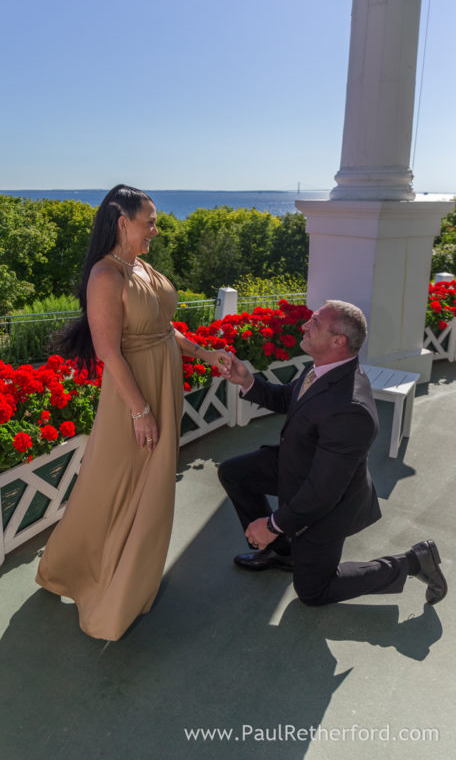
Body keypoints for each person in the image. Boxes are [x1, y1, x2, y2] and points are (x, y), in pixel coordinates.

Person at [36, 184, 229, 640]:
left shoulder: (139, 266)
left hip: (162, 386)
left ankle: (106, 576)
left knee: (145, 488)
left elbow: (165, 330)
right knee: (115, 485)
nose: (156, 231)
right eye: (150, 222)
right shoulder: (106, 275)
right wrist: (140, 411)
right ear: (123, 223)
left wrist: (206, 353)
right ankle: (101, 592)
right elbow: (107, 351)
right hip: (133, 396)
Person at [217, 299, 447, 607]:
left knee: (314, 591)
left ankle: (413, 562)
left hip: (328, 503)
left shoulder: (350, 408)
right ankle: (283, 552)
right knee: (235, 473)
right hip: (301, 466)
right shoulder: (324, 369)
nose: (304, 326)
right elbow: (290, 398)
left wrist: (270, 525)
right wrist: (247, 381)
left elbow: (321, 493)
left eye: (314, 323)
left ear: (339, 341)